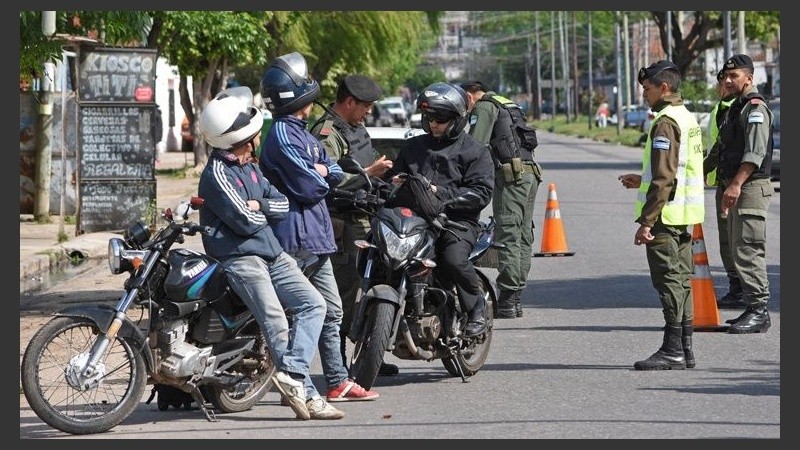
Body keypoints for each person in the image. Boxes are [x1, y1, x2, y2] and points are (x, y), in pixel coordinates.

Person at [195, 86, 334, 420]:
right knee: (275, 322)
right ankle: (309, 396)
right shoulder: (217, 174)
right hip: (240, 258)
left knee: (314, 304)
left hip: (272, 252)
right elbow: (246, 220)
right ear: (237, 141)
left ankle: (292, 375)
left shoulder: (251, 168)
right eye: (250, 140)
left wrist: (261, 206)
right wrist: (261, 209)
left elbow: (282, 204)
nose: (254, 144)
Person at [259, 52, 380, 405]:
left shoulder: (301, 135)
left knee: (333, 309)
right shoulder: (283, 135)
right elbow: (313, 184)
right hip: (294, 237)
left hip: (316, 236)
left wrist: (325, 172)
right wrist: (325, 173)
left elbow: (336, 172)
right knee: (299, 312)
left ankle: (337, 381)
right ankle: (291, 378)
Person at [385, 82, 494, 336]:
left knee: (452, 259)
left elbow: (481, 192)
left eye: (440, 118)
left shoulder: (475, 152)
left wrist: (441, 195)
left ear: (457, 118)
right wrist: (389, 182)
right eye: (429, 117)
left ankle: (476, 306)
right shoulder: (413, 147)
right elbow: (392, 177)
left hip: (455, 222)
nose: (433, 123)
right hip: (413, 221)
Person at [308, 74, 400, 376]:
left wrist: (385, 177)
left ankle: (370, 353)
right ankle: (339, 366)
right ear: (349, 102)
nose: (368, 113)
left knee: (374, 285)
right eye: (365, 107)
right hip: (342, 224)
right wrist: (368, 174)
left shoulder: (354, 129)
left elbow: (364, 166)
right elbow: (322, 179)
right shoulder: (327, 133)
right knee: (344, 294)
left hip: (367, 216)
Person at [618, 60, 704, 370]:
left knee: (668, 282)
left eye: (647, 88)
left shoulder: (665, 122)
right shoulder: (686, 116)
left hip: (665, 216)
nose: (644, 94)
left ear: (663, 88)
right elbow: (678, 169)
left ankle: (673, 350)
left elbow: (665, 176)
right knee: (681, 281)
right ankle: (685, 348)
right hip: (683, 212)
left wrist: (646, 222)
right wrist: (641, 178)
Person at [461, 81, 543, 319]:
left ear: (469, 96)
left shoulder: (485, 107)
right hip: (529, 174)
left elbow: (474, 145)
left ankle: (507, 297)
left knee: (507, 233)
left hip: (511, 178)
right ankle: (515, 298)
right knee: (522, 234)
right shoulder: (508, 104)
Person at [710, 54, 775, 334]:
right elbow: (720, 149)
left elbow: (754, 153)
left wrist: (735, 185)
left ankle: (759, 311)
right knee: (737, 249)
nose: (727, 80)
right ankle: (750, 305)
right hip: (736, 186)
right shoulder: (733, 109)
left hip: (749, 187)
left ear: (749, 78)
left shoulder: (755, 108)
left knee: (748, 249)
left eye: (734, 76)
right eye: (725, 76)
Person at [703, 70, 742, 310]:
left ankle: (739, 288)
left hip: (731, 181)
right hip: (723, 179)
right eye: (721, 81)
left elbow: (721, 147)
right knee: (728, 237)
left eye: (730, 79)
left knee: (732, 239)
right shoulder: (721, 109)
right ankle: (737, 286)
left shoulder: (732, 109)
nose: (724, 84)